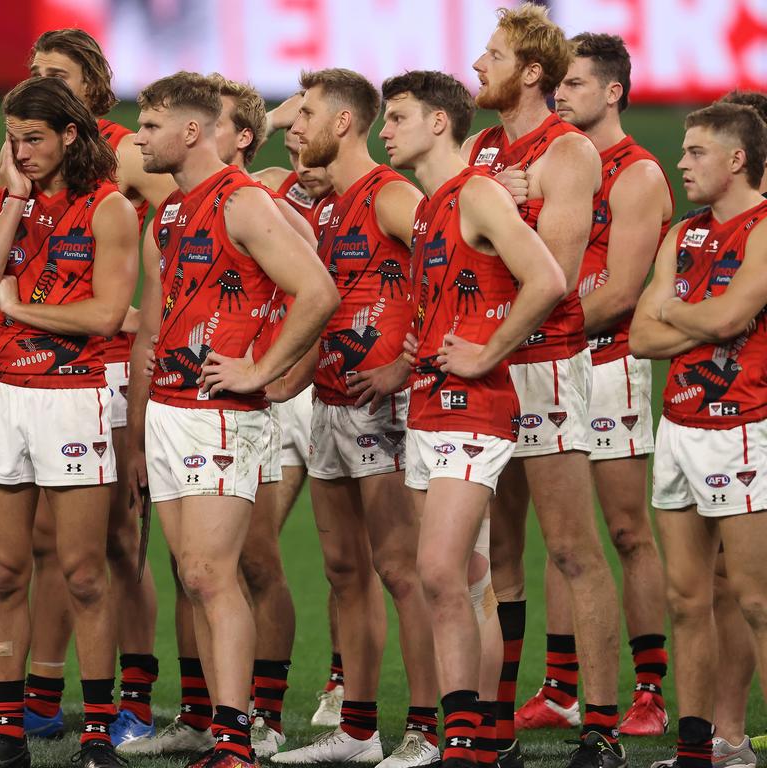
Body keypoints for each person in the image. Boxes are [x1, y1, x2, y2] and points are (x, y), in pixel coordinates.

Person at [124, 71, 337, 768]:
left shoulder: (243, 203)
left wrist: (261, 369)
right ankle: (222, 729)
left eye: (150, 126)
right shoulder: (172, 213)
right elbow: (155, 328)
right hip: (173, 409)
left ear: (190, 131)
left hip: (222, 413)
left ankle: (237, 738)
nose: (138, 138)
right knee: (192, 572)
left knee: (214, 574)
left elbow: (318, 289)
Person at [0, 28, 177, 744]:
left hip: (112, 362)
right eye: (36, 69)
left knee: (119, 538)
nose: (45, 79)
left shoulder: (130, 150)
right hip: (39, 364)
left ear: (94, 86)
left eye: (60, 72)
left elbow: (196, 216)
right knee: (45, 540)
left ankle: (134, 699)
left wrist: (158, 310)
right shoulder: (23, 147)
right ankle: (40, 697)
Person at [379, 67, 564, 768]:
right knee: (475, 579)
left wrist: (489, 350)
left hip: (472, 410)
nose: (384, 130)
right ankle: (490, 740)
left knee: (437, 573)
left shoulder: (478, 192)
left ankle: (458, 743)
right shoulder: (429, 209)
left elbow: (546, 278)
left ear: (437, 122)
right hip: (429, 407)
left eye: (396, 117)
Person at [0, 76, 138, 768]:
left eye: (33, 138)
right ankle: (9, 734)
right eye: (12, 138)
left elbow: (104, 316)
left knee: (84, 572)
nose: (21, 150)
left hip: (74, 395)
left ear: (69, 134)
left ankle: (96, 732)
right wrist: (15, 206)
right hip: (1, 396)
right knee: (4, 572)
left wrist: (23, 309)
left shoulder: (109, 208)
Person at [461, 6, 623, 767]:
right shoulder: (478, 148)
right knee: (493, 555)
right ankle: (494, 729)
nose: (476, 65)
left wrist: (497, 205)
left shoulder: (568, 153)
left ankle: (602, 728)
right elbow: (455, 248)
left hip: (544, 362)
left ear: (531, 71)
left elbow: (551, 279)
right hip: (486, 363)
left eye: (491, 54)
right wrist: (491, 190)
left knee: (573, 551)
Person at [273, 68, 438, 768]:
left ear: (342, 123)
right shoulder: (327, 203)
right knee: (345, 569)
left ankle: (429, 729)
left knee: (402, 570)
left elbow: (458, 263)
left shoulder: (391, 195)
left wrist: (408, 359)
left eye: (305, 113)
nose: (293, 125)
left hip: (386, 409)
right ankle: (359, 730)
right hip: (333, 401)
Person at [515, 32, 674, 737]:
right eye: (560, 84)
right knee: (562, 534)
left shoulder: (636, 173)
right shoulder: (551, 160)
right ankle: (559, 687)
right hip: (553, 359)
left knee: (625, 529)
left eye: (576, 84)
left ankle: (648, 690)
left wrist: (531, 326)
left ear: (613, 91)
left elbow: (622, 290)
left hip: (608, 367)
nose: (562, 94)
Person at [629, 100, 767, 768]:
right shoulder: (682, 235)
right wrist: (703, 319)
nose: (680, 163)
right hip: (678, 427)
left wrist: (683, 315)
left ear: (737, 159)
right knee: (686, 599)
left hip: (743, 430)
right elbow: (639, 334)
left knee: (756, 599)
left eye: (696, 152)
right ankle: (701, 751)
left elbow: (733, 317)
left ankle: (740, 741)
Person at [253, 128, 344, 730]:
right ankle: (262, 713)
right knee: (255, 553)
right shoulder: (262, 193)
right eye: (294, 154)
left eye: (316, 158)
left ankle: (342, 684)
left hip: (342, 391)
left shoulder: (377, 201)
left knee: (348, 562)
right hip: (278, 389)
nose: (302, 169)